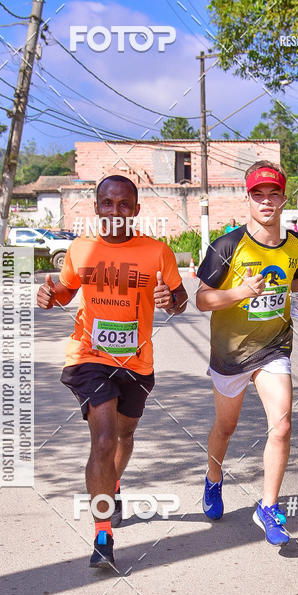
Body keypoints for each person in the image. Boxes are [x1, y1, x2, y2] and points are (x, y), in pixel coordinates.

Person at [36, 175, 187, 569]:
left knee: (125, 435)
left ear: (136, 210)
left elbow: (181, 300)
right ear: (97, 207)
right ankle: (103, 534)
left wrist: (170, 299)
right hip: (89, 357)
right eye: (107, 203)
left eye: (124, 204)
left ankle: (114, 484)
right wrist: (50, 296)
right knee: (103, 439)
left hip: (137, 362)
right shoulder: (81, 249)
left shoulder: (157, 252)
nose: (115, 211)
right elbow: (66, 291)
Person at [196, 161, 298, 545]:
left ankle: (268, 507)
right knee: (225, 428)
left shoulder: (296, 245)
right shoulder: (227, 246)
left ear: (283, 198)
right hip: (229, 354)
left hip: (273, 348)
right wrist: (239, 293)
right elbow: (202, 300)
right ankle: (213, 480)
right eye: (258, 195)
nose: (266, 201)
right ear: (247, 198)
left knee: (281, 425)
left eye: (273, 194)